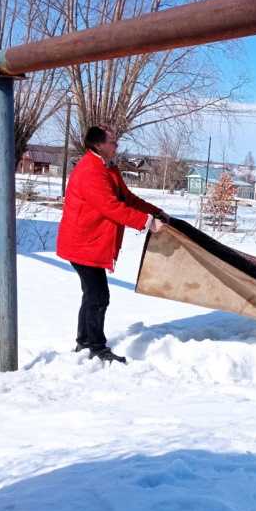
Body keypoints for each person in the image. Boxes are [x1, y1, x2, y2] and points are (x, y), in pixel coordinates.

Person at [56, 126, 170, 364]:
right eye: (113, 142)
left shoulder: (107, 169)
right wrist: (148, 223)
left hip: (91, 242)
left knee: (92, 295)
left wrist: (155, 211)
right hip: (82, 243)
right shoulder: (91, 171)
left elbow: (126, 198)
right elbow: (111, 207)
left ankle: (85, 342)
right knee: (98, 296)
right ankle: (95, 346)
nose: (116, 146)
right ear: (98, 145)